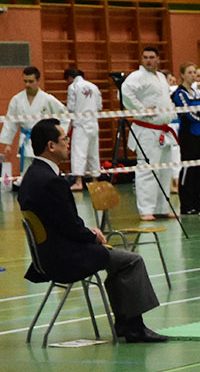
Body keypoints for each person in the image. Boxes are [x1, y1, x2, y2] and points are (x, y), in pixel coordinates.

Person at [20, 119, 166, 342]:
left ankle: (125, 323)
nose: (68, 143)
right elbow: (70, 227)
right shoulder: (50, 181)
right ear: (51, 146)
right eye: (64, 139)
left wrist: (87, 233)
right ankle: (135, 328)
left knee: (116, 262)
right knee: (131, 261)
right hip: (66, 257)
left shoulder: (31, 176)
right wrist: (92, 236)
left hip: (47, 255)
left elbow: (60, 222)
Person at [121, 47, 178, 221]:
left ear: (158, 59)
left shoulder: (161, 77)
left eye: (152, 57)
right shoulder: (136, 76)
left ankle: (161, 208)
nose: (148, 60)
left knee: (164, 170)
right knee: (147, 170)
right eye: (145, 57)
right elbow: (124, 92)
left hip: (163, 130)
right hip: (147, 130)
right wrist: (141, 109)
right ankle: (146, 210)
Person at [1, 66, 68, 175]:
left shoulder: (47, 99)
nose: (27, 84)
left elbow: (65, 115)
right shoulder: (17, 100)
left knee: (45, 170)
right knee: (26, 172)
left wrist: (58, 134)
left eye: (31, 81)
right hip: (26, 140)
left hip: (44, 140)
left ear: (38, 81)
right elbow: (10, 122)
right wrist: (8, 143)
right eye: (25, 81)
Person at [171, 62, 200, 215]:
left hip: (199, 134)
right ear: (182, 75)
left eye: (194, 72)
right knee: (188, 170)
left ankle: (198, 203)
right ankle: (186, 205)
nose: (193, 75)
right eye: (189, 72)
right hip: (188, 135)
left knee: (199, 169)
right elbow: (189, 114)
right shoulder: (180, 93)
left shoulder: (196, 93)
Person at [64, 68, 102, 191]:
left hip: (80, 125)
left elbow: (71, 107)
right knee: (93, 153)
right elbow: (99, 106)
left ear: (70, 78)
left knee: (78, 153)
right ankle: (95, 180)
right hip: (93, 123)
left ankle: (78, 182)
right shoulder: (94, 87)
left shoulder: (73, 87)